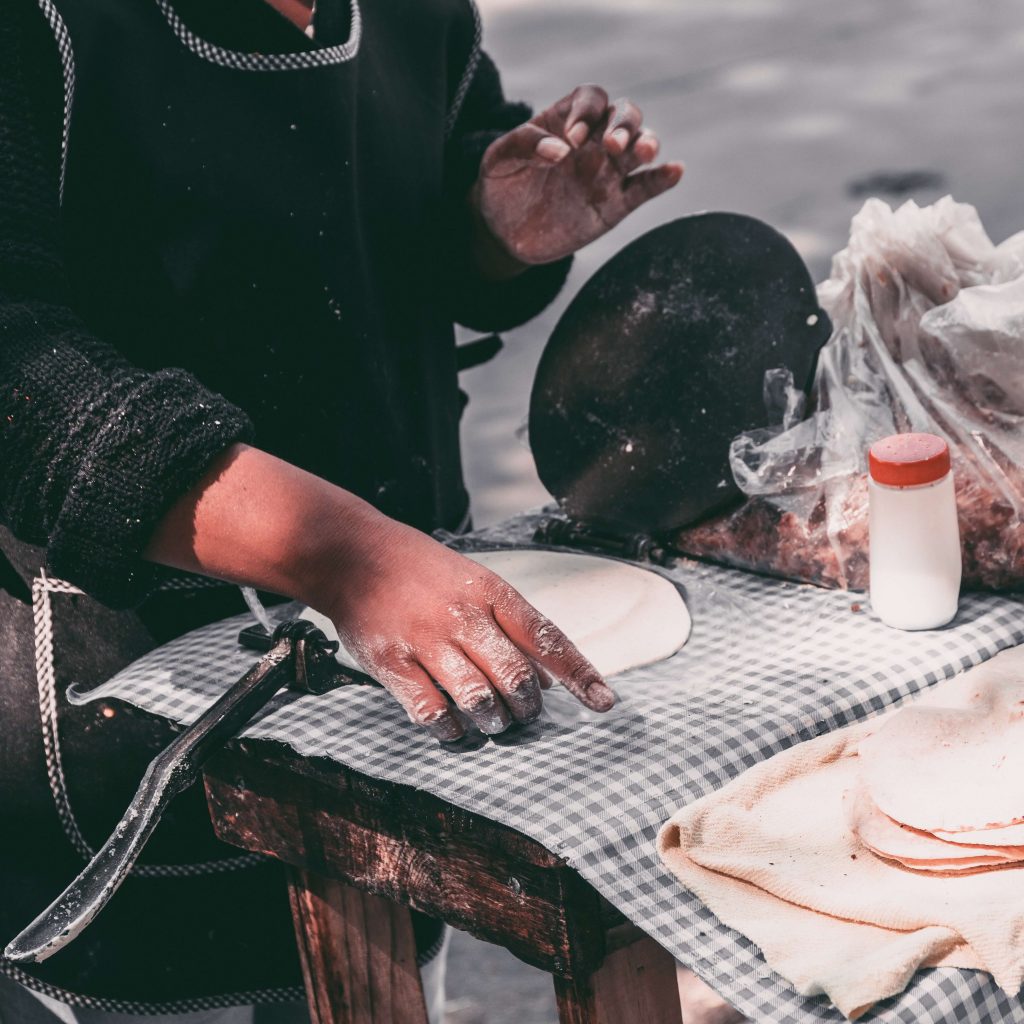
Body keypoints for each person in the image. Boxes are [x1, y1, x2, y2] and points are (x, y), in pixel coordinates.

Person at [0, 0, 683, 1020]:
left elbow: (402, 221)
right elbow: (19, 369)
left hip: (398, 677)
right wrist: (348, 559)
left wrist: (494, 231)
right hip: (121, 730)